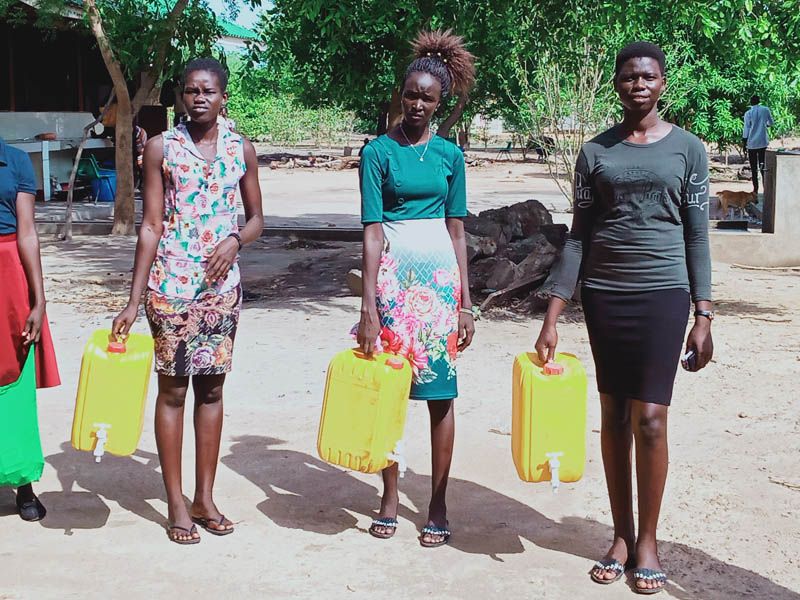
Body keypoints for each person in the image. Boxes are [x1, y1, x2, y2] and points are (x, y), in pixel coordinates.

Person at [535, 42, 713, 594]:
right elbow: (578, 235)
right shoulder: (595, 152)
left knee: (651, 419)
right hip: (607, 295)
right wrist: (553, 313)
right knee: (613, 416)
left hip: (664, 293)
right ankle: (619, 535)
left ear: (663, 83)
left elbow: (698, 235)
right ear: (617, 83)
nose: (639, 84)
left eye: (649, 76)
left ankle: (648, 543)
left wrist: (703, 312)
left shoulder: (689, 149)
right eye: (630, 76)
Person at [112, 57, 264, 545]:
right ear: (181, 97)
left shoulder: (242, 149)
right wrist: (133, 301)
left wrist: (236, 241)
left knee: (213, 391)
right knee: (174, 391)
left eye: (209, 92)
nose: (199, 98)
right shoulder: (161, 149)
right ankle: (176, 501)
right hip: (171, 288)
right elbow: (152, 224)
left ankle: (205, 496)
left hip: (222, 292)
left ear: (224, 97)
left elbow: (258, 217)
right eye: (190, 91)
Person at [357, 29, 476, 548]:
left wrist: (466, 304)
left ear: (440, 100)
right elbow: (372, 230)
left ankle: (438, 502)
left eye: (428, 97)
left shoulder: (451, 157)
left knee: (439, 395)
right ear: (400, 94)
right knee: (390, 391)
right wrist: (367, 305)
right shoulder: (378, 152)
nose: (418, 104)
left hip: (440, 290)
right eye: (411, 95)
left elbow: (457, 230)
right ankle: (388, 494)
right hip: (393, 285)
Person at [0, 135, 60, 521]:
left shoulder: (16, 161)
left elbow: (26, 232)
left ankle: (23, 486)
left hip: (9, 277)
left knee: (15, 381)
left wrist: (39, 300)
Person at [742, 94, 773, 194]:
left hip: (752, 143)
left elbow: (746, 128)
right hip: (762, 141)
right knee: (763, 166)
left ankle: (755, 189)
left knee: (753, 167)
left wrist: (744, 141)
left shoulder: (748, 113)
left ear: (751, 102)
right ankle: (766, 188)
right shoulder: (765, 110)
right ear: (759, 101)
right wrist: (764, 125)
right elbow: (771, 123)